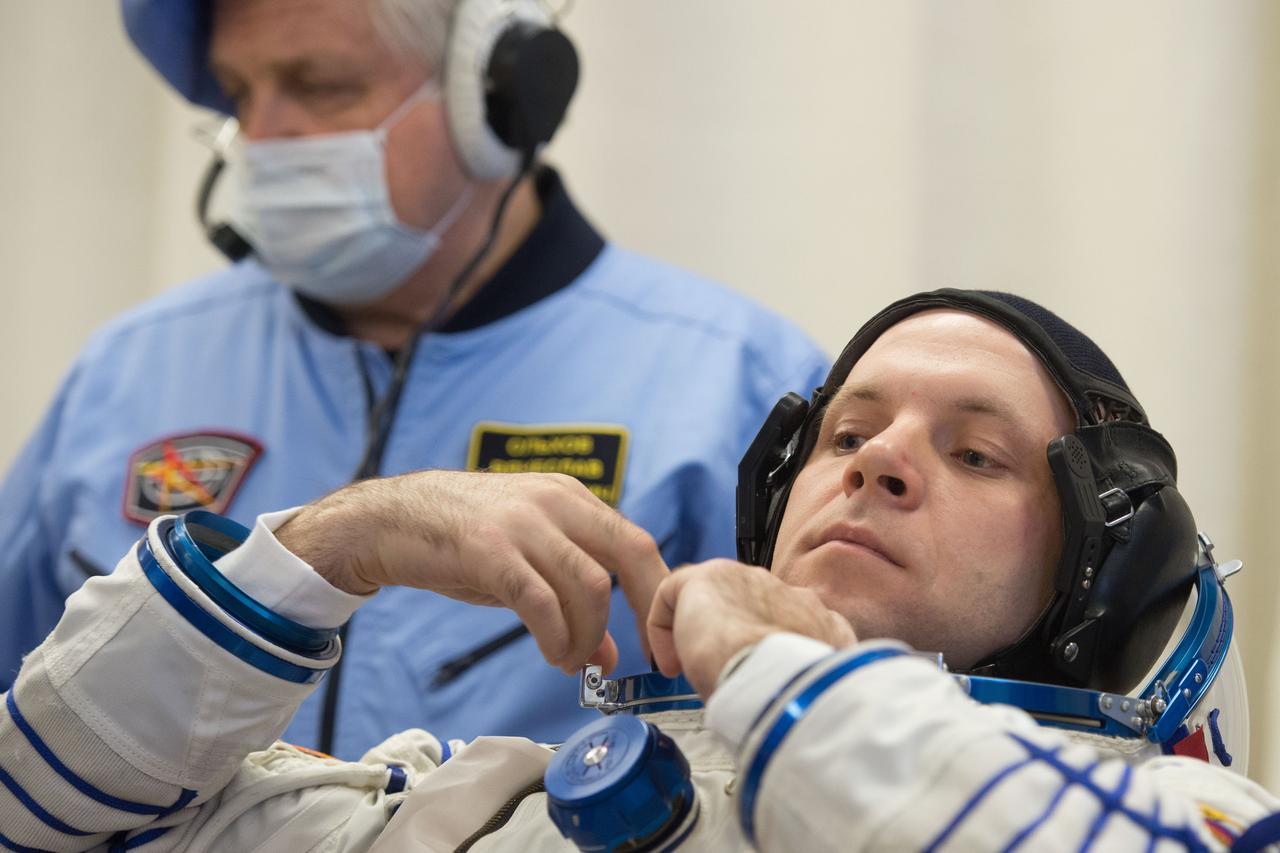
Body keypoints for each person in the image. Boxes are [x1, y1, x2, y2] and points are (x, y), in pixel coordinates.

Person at [3, 289, 1278, 852]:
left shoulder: (1189, 819)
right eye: (846, 432)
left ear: (1098, 574)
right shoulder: (485, 812)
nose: (879, 460)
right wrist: (335, 541)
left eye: (975, 452)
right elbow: (51, 816)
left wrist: (781, 668)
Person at [0, 0, 830, 760]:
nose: (263, 135)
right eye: (236, 91)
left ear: (496, 99)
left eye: (319, 85)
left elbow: (837, 760)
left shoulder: (735, 382)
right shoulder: (127, 372)